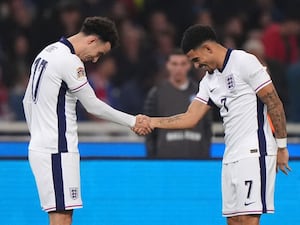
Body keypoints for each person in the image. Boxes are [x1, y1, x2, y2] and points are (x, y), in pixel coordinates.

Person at [140, 24, 291, 225]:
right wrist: (152, 121)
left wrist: (281, 146)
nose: (196, 66)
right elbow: (190, 117)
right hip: (231, 156)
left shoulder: (244, 62)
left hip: (255, 151)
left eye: (196, 59)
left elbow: (274, 103)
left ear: (208, 49)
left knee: (248, 218)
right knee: (233, 220)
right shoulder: (209, 81)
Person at [22, 16, 151, 225]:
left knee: (60, 215)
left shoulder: (47, 52)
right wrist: (132, 121)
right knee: (62, 217)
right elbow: (92, 105)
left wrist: (38, 134)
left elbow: (27, 101)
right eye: (99, 53)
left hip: (44, 145)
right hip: (57, 148)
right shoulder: (69, 61)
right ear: (92, 40)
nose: (96, 59)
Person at [143, 48, 212, 159]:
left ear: (189, 65)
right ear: (167, 65)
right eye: (174, 64)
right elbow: (149, 131)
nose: (178, 68)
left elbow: (207, 127)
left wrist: (205, 154)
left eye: (183, 64)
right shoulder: (156, 93)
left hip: (197, 160)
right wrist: (153, 159)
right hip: (165, 160)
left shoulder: (201, 91)